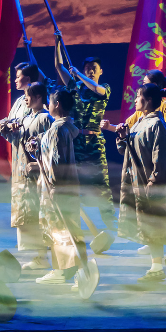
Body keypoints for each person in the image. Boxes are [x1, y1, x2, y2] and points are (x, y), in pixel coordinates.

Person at [116, 84, 166, 283]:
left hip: (150, 183)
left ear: (149, 100)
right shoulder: (139, 122)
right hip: (138, 182)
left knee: (160, 224)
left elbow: (160, 155)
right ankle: (157, 266)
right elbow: (127, 151)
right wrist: (123, 138)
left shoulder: (156, 124)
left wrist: (154, 179)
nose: (135, 100)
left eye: (138, 96)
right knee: (150, 226)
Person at [54, 39, 116, 232]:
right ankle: (80, 227)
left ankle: (110, 225)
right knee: (76, 183)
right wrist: (57, 42)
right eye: (87, 67)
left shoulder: (103, 88)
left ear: (100, 71)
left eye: (93, 68)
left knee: (101, 184)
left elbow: (96, 89)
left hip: (95, 143)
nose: (90, 70)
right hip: (77, 141)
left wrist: (79, 74)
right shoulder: (75, 88)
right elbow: (59, 66)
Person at [25, 88, 83, 288]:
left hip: (56, 188)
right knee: (60, 229)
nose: (48, 105)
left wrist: (56, 186)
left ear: (57, 105)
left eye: (50, 102)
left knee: (62, 229)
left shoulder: (58, 129)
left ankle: (69, 271)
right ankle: (61, 269)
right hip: (56, 186)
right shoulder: (62, 128)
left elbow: (57, 161)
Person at [0, 82, 54, 269]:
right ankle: (38, 255)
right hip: (23, 174)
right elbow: (16, 140)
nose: (25, 99)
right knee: (29, 215)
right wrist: (5, 129)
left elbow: (51, 146)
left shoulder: (46, 118)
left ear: (38, 97)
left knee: (40, 215)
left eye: (28, 95)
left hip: (38, 175)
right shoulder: (27, 118)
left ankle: (44, 256)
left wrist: (39, 164)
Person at [101, 70, 166, 155]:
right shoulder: (142, 111)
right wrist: (108, 126)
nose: (142, 86)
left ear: (153, 85)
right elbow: (127, 128)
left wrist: (163, 141)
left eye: (144, 83)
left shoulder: (165, 105)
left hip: (164, 156)